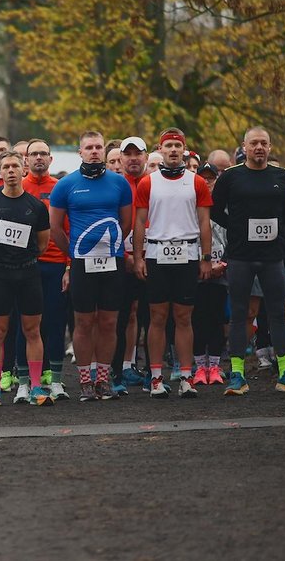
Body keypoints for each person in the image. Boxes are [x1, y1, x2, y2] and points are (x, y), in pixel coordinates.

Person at [211, 127, 285, 395]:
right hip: (240, 256)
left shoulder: (282, 177)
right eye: (254, 143)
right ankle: (237, 375)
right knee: (240, 315)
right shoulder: (231, 177)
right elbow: (216, 210)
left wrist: (280, 238)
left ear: (270, 147)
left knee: (276, 314)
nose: (259, 148)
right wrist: (237, 228)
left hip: (272, 257)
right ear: (245, 147)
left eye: (264, 143)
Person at [50, 131, 132, 402]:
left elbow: (127, 223)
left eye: (99, 147)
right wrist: (73, 255)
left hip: (112, 260)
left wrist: (110, 246)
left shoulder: (119, 184)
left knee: (109, 322)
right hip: (82, 263)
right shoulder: (66, 185)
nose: (95, 151)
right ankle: (85, 381)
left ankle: (103, 380)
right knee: (84, 322)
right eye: (90, 147)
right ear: (80, 152)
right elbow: (55, 227)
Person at [132, 128, 214, 399]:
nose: (173, 150)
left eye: (177, 146)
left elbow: (204, 222)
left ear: (184, 150)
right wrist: (139, 257)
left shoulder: (196, 182)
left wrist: (206, 258)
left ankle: (186, 376)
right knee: (157, 317)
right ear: (160, 149)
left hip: (188, 254)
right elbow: (140, 222)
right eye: (168, 146)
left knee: (183, 317)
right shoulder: (148, 182)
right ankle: (156, 377)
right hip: (157, 255)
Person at [0, 151, 52, 407]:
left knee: (32, 330)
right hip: (0, 275)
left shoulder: (36, 207)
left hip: (28, 273)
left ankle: (36, 387)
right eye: (5, 166)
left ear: (23, 169)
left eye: (14, 166)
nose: (9, 171)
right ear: (1, 170)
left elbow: (43, 243)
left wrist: (22, 260)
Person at [21, 138, 70, 400]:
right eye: (34, 154)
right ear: (25, 160)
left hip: (55, 264)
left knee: (54, 322)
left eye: (43, 153)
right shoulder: (18, 187)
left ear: (51, 159)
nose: (39, 158)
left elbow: (69, 227)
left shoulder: (60, 188)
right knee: (27, 325)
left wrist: (69, 266)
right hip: (25, 266)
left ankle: (57, 379)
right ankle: (27, 379)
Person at [114, 136, 149, 392]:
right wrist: (124, 256)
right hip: (121, 259)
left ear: (146, 157)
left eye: (138, 154)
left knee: (151, 316)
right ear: (121, 158)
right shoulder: (115, 185)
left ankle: (148, 370)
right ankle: (119, 369)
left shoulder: (153, 183)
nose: (133, 158)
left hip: (154, 258)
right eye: (129, 154)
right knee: (121, 315)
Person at [191, 163, 228, 385]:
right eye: (202, 178)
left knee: (217, 319)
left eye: (210, 179)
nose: (206, 182)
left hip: (220, 274)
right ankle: (199, 367)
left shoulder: (224, 209)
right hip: (194, 274)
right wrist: (197, 264)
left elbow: (233, 239)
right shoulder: (189, 207)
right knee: (196, 321)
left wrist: (222, 264)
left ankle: (214, 366)